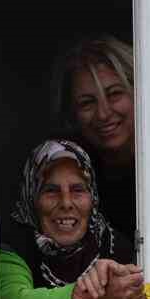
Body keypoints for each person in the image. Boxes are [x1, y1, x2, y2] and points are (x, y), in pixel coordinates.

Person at [0, 140, 136, 299]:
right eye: (51, 190)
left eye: (78, 189)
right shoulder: (13, 245)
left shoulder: (115, 248)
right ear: (32, 197)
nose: (66, 203)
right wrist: (85, 297)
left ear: (92, 197)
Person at [51, 37, 136, 242]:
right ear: (72, 114)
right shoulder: (69, 173)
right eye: (87, 103)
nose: (103, 114)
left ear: (140, 93)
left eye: (114, 94)